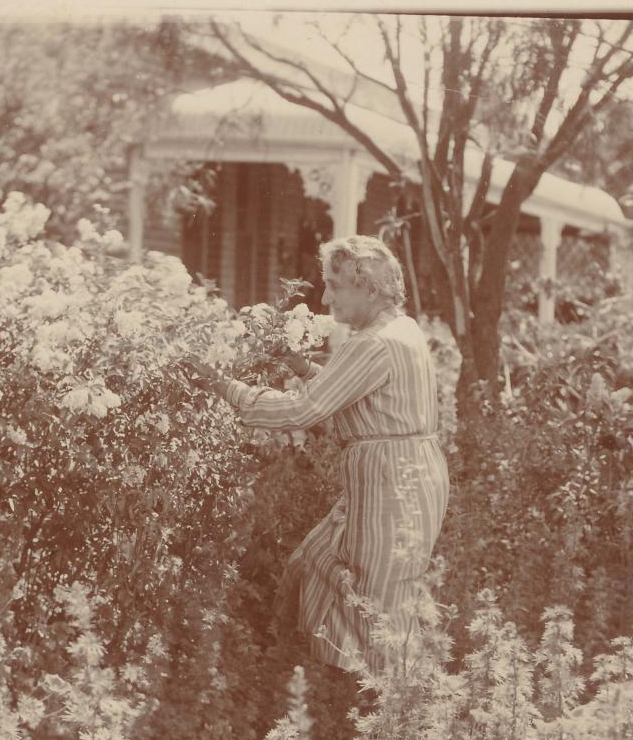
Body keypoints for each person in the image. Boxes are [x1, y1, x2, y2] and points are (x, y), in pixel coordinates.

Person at [186, 236, 450, 686]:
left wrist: (223, 386)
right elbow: (358, 392)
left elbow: (301, 411)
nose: (325, 298)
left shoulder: (373, 342)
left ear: (369, 288)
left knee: (372, 603)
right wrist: (301, 366)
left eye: (334, 286)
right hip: (405, 473)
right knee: (322, 566)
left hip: (392, 484)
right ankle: (320, 688)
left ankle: (381, 715)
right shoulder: (400, 331)